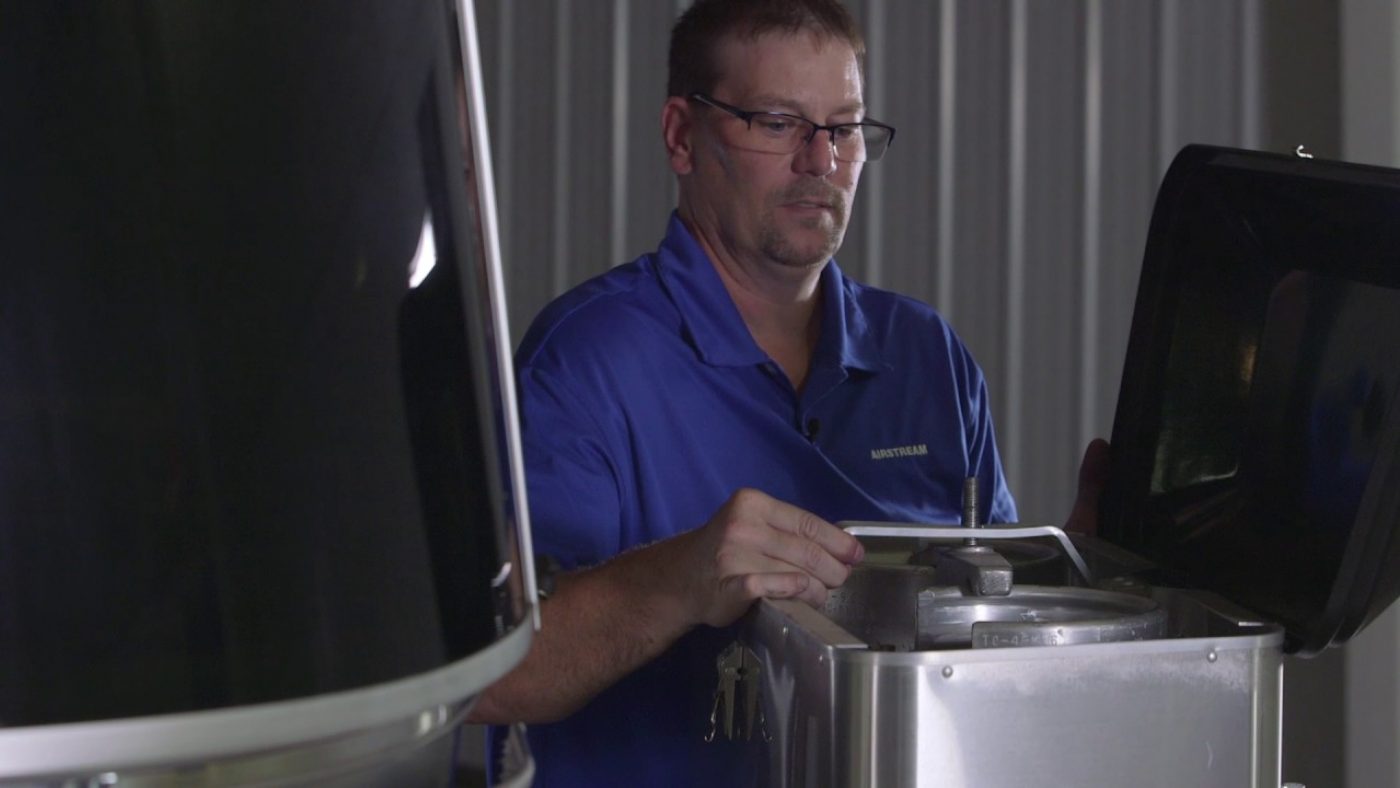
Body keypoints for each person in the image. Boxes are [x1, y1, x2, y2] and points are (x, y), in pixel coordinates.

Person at [468, 0, 1105, 784]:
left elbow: (988, 641)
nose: (821, 161)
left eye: (844, 128)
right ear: (681, 135)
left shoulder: (927, 357)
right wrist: (682, 578)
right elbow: (493, 677)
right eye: (778, 123)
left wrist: (1083, 575)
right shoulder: (587, 362)